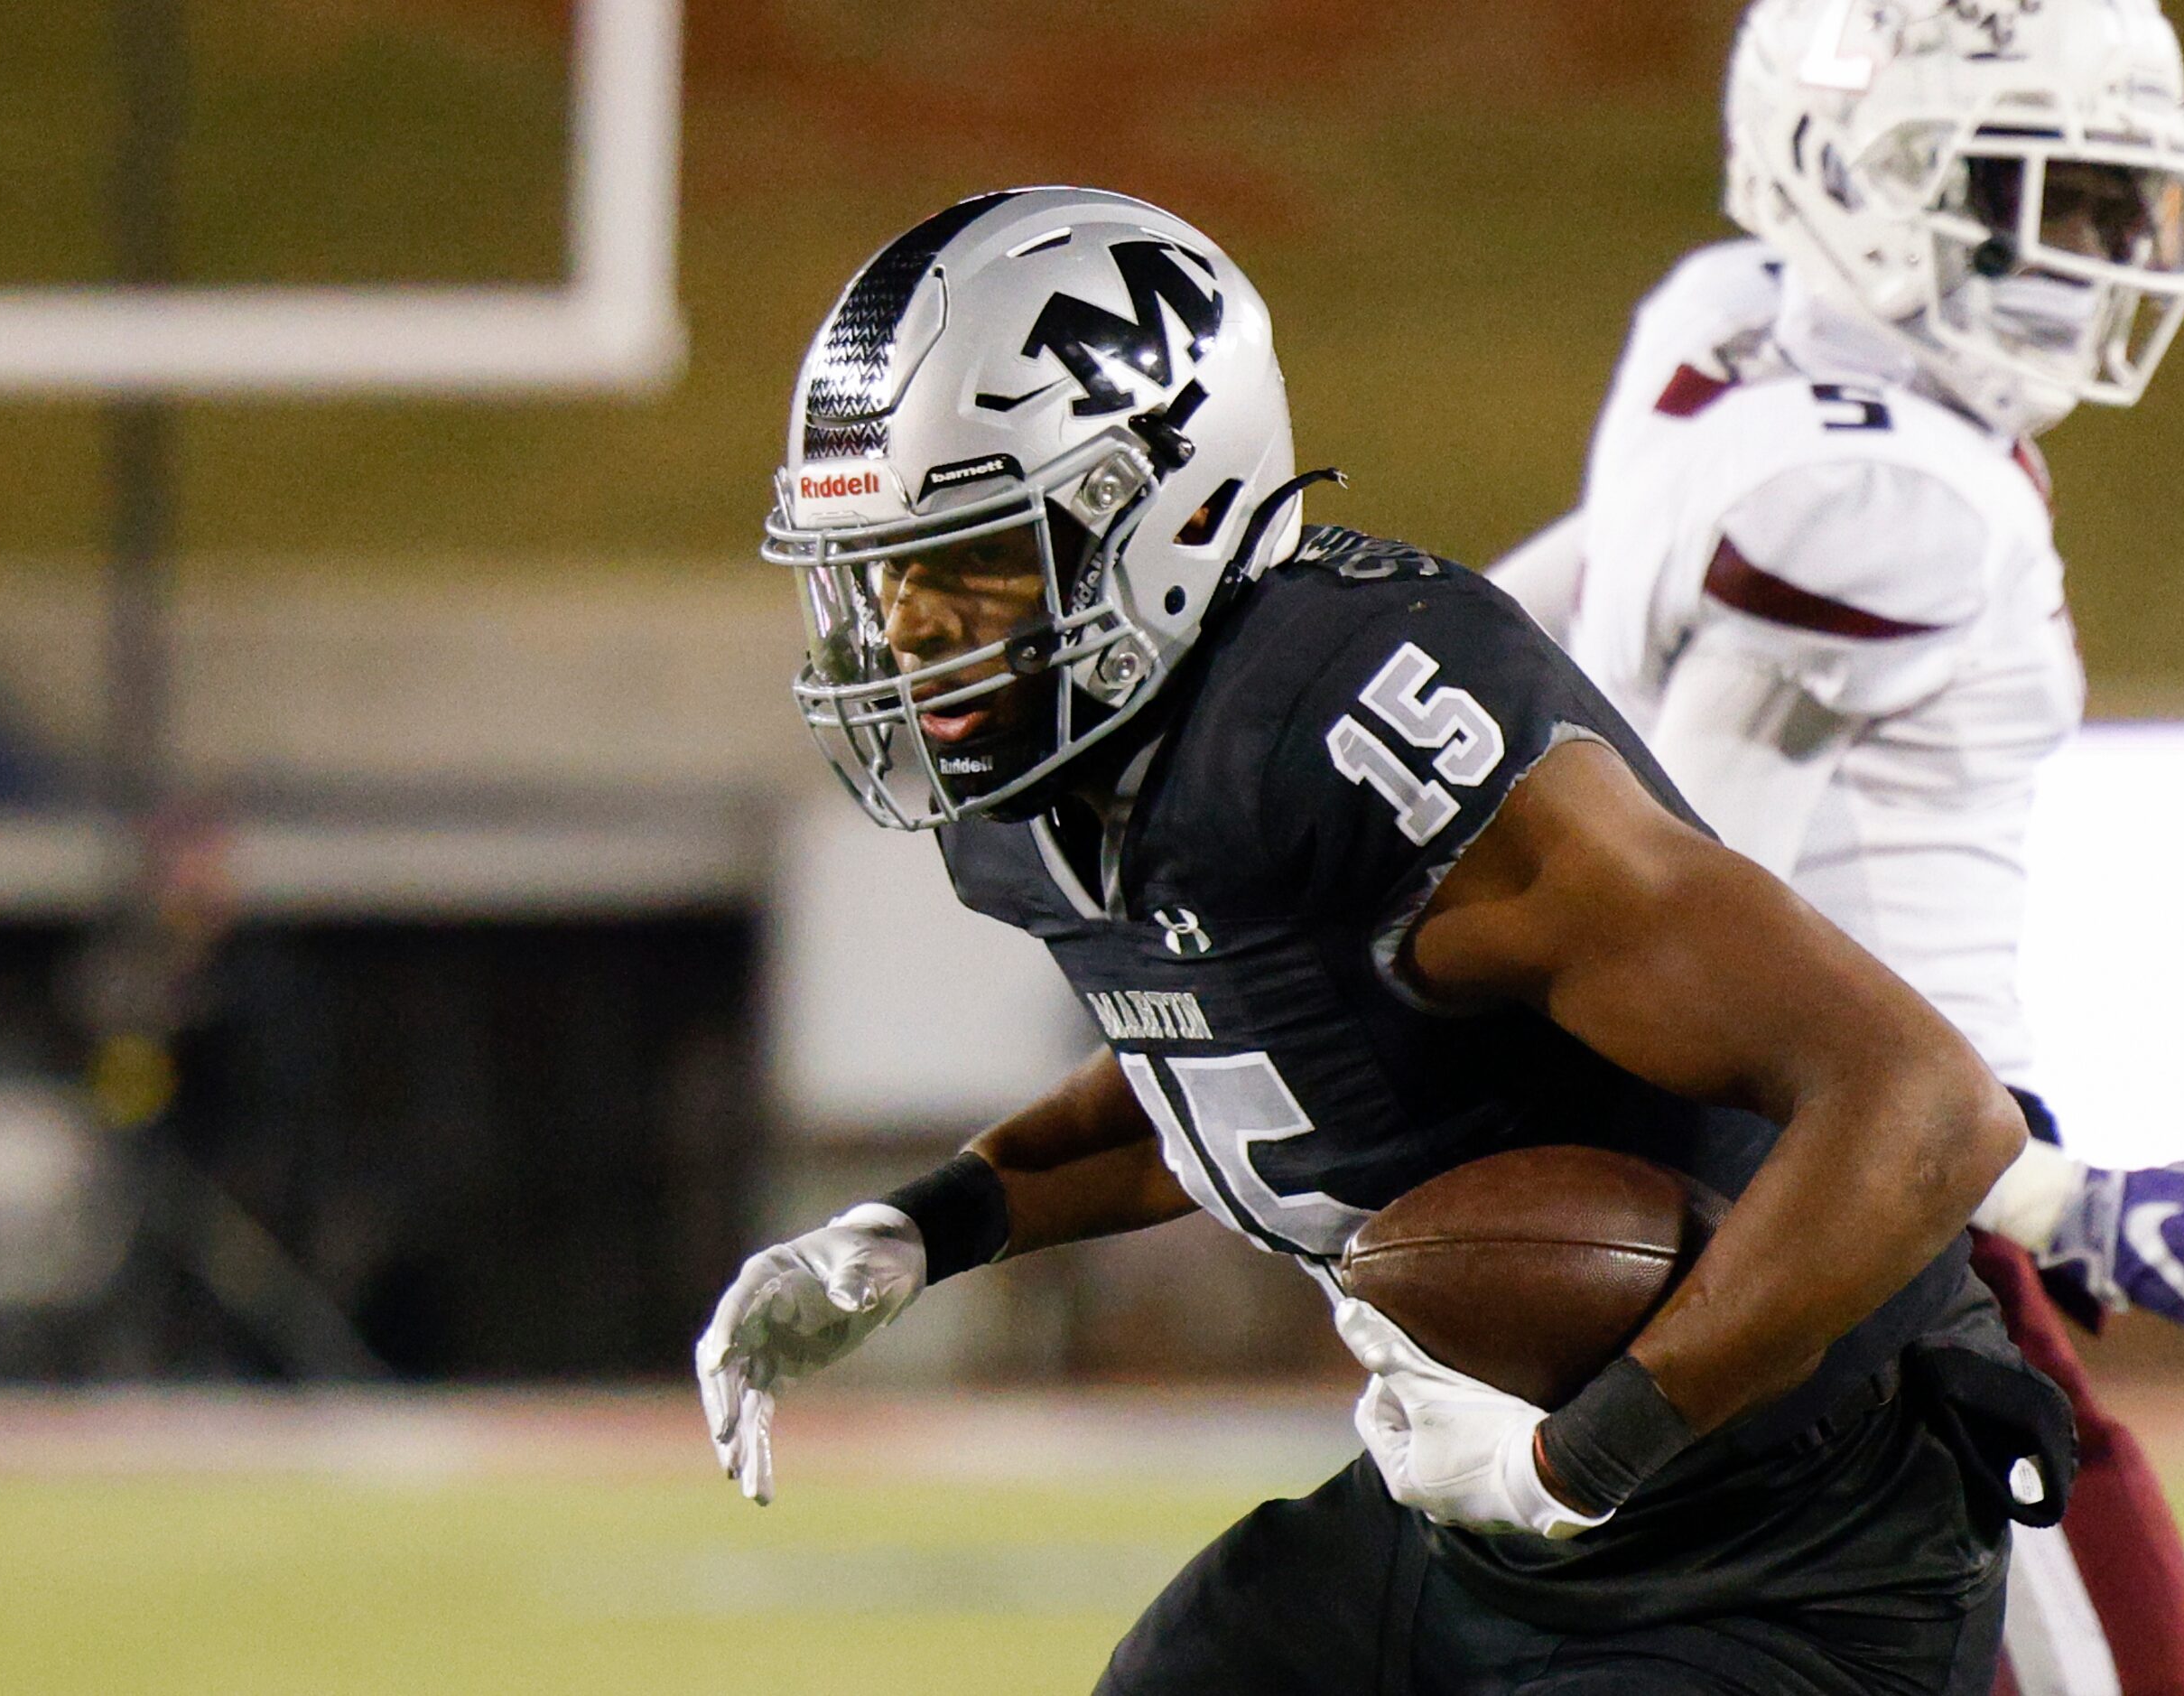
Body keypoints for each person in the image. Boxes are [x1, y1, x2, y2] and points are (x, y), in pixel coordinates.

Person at [697, 184, 2070, 1696]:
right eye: (881, 578)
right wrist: (914, 1231)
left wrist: (1578, 1455)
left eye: (972, 568)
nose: (909, 639)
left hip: (1795, 1521)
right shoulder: (1031, 787)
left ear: (1161, 512)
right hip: (1487, 1511)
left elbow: (1929, 1108)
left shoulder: (1359, 727)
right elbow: (1230, 1072)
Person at [1488, 5, 2184, 1692]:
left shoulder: (1726, 325)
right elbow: (1695, 929)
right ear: (1858, 176)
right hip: (1869, 1220)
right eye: (2051, 199)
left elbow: (1527, 636)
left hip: (1838, 1194)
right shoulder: (1888, 506)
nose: (2101, 257)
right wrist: (2063, 1203)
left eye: (2118, 203)